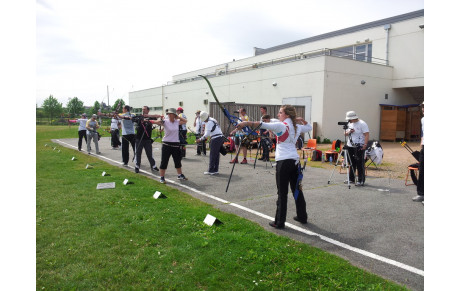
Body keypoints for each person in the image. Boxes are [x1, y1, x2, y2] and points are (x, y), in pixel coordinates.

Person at [236, 105, 312, 229]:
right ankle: (302, 216)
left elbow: (262, 125)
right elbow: (309, 127)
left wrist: (245, 123)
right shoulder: (295, 126)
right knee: (297, 189)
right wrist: (301, 120)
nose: (278, 114)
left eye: (280, 112)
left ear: (287, 115)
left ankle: (279, 221)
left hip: (284, 162)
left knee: (282, 193)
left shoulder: (282, 126)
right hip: (294, 161)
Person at [150, 108, 188, 183]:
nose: (169, 115)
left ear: (174, 115)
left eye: (171, 114)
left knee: (177, 161)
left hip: (175, 144)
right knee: (164, 161)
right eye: (169, 114)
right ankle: (162, 177)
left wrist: (178, 117)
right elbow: (157, 122)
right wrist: (149, 121)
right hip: (166, 144)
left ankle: (180, 175)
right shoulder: (165, 121)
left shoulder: (177, 122)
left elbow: (185, 121)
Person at [344, 111, 369, 186]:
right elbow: (345, 133)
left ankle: (361, 180)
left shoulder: (362, 123)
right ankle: (351, 179)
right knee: (351, 163)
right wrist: (349, 132)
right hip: (350, 145)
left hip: (359, 146)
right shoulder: (349, 123)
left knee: (359, 163)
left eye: (350, 119)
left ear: (354, 118)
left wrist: (365, 144)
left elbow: (367, 134)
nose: (349, 121)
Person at [132, 106, 161, 174]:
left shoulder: (151, 117)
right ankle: (137, 166)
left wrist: (148, 116)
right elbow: (133, 119)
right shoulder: (139, 116)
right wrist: (141, 118)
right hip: (139, 138)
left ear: (148, 110)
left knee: (149, 153)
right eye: (142, 109)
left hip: (147, 139)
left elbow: (158, 116)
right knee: (138, 153)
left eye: (144, 109)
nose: (143, 110)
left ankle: (153, 166)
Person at [196, 111, 225, 175]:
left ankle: (211, 170)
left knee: (212, 154)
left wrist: (200, 139)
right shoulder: (212, 119)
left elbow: (207, 134)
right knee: (216, 154)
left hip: (215, 138)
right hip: (220, 137)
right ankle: (215, 169)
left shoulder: (209, 122)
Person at [413, 102, 424, 202]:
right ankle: (421, 194)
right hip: (425, 147)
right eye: (423, 107)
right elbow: (423, 132)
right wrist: (422, 141)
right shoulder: (423, 119)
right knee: (422, 170)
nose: (423, 109)